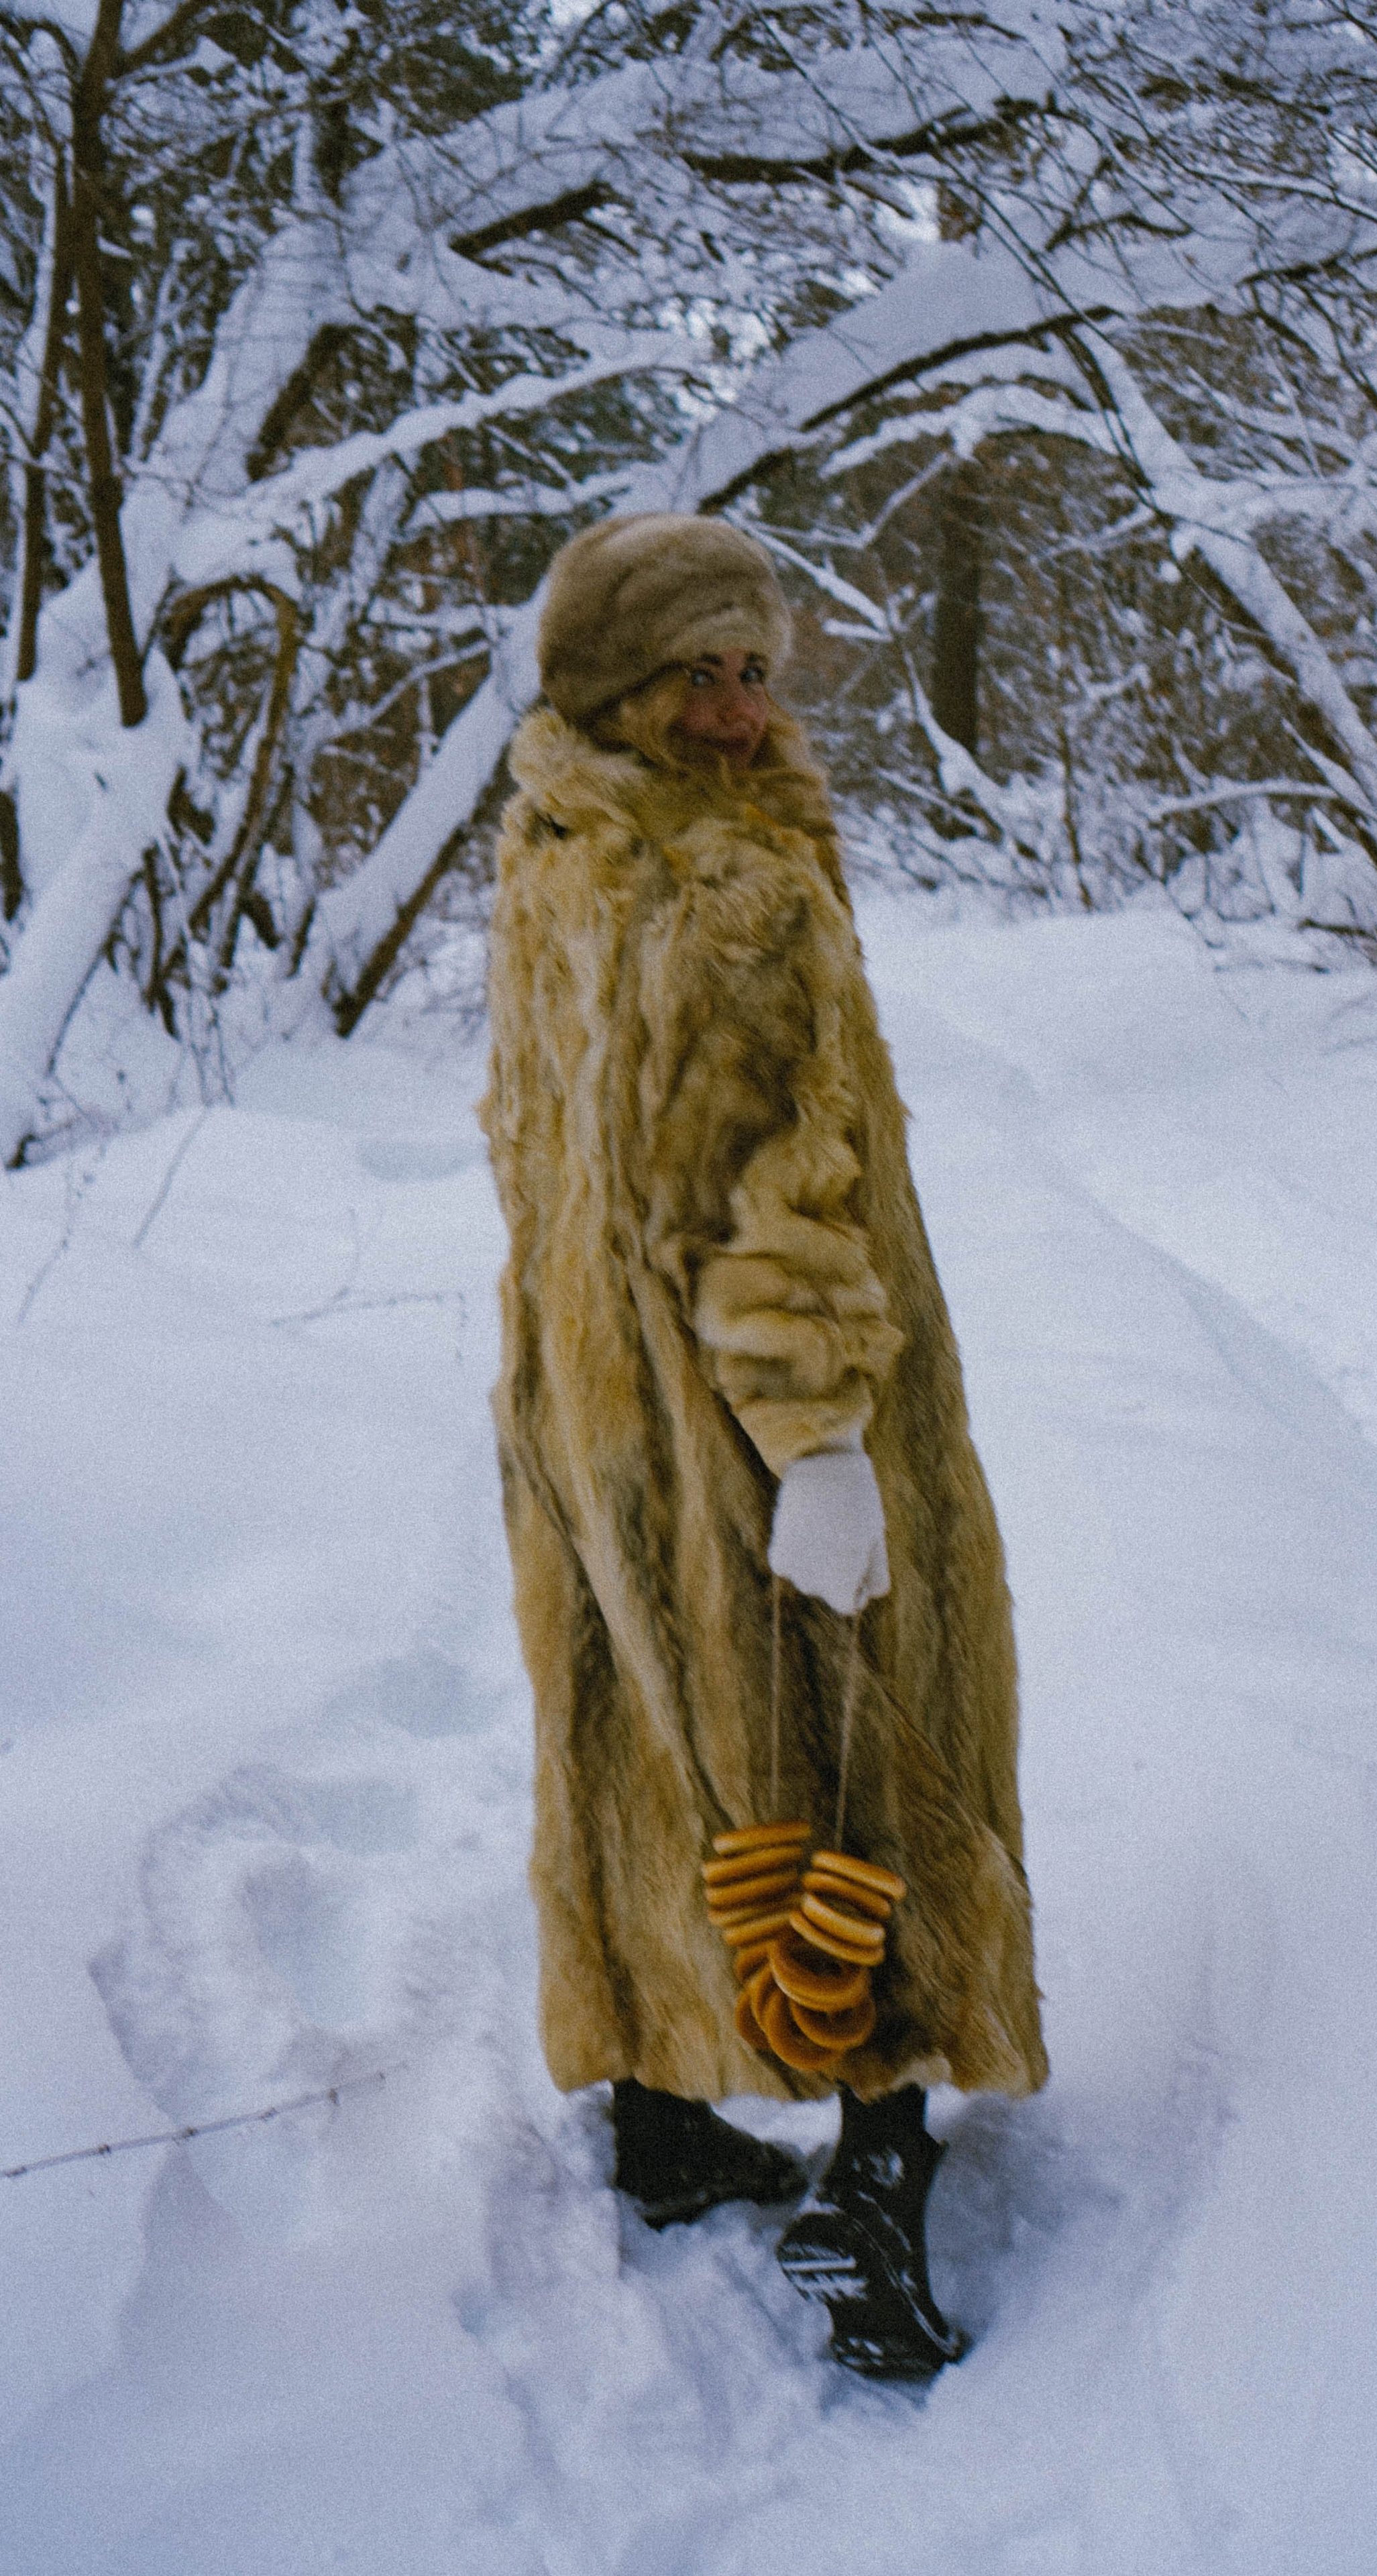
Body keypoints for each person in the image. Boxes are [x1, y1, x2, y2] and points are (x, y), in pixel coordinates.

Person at [480, 512, 1047, 2381]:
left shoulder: (558, 842)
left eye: (754, 671)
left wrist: (591, 1375)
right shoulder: (731, 882)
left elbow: (547, 1146)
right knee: (857, 1744)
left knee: (657, 1735)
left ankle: (659, 2117)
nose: (738, 711)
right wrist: (818, 1442)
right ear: (614, 688)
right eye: (695, 675)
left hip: (601, 1402)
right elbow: (779, 1194)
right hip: (756, 1407)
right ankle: (871, 2198)